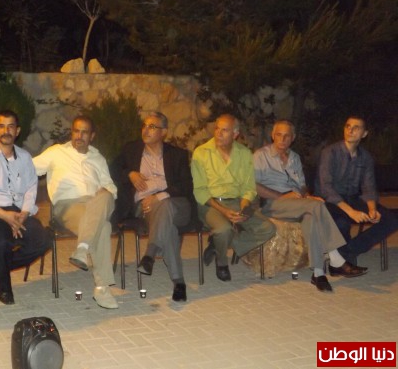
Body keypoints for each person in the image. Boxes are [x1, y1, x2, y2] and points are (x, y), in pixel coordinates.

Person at [253, 120, 367, 292]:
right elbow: (253, 186)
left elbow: (302, 186)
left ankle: (318, 273)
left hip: (299, 203)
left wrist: (308, 196)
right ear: (272, 135)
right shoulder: (261, 156)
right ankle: (336, 258)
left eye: (287, 136)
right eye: (278, 135)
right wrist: (283, 196)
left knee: (311, 216)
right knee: (317, 206)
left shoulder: (294, 158)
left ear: (293, 138)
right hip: (273, 203)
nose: (282, 139)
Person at [33, 115, 119, 309]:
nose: (79, 136)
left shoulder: (98, 158)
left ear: (92, 136)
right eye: (76, 131)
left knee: (107, 195)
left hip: (95, 204)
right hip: (68, 206)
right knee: (104, 227)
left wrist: (105, 191)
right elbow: (28, 168)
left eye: (84, 132)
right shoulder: (56, 152)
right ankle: (102, 287)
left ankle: (82, 248)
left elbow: (111, 186)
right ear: (71, 132)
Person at [0, 110, 50, 305]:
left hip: (18, 211)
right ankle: (4, 288)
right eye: (1, 126)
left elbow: (31, 188)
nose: (6, 131)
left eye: (11, 126)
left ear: (17, 131)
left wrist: (24, 213)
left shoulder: (25, 158)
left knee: (43, 239)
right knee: (1, 242)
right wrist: (5, 216)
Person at [111, 112, 194, 302]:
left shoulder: (177, 154)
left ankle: (151, 251)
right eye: (144, 125)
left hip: (177, 204)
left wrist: (160, 195)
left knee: (165, 205)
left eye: (152, 126)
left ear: (164, 132)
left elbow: (186, 186)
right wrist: (130, 173)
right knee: (168, 228)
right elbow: (112, 169)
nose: (146, 130)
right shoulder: (131, 150)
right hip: (146, 207)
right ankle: (178, 282)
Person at [191, 114, 275, 282]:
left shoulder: (244, 153)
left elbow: (248, 188)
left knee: (268, 228)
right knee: (224, 229)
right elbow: (200, 191)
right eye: (217, 128)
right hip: (210, 204)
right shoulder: (201, 153)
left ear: (235, 134)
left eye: (224, 130)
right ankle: (222, 262)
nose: (218, 133)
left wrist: (244, 206)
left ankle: (217, 245)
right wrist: (224, 211)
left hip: (236, 202)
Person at [315, 116, 398, 267]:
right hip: (330, 201)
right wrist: (351, 212)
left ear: (364, 134)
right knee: (342, 222)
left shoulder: (366, 157)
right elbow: (326, 188)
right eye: (348, 126)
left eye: (356, 127)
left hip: (352, 198)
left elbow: (369, 187)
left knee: (391, 220)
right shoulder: (330, 152)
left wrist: (372, 209)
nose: (350, 130)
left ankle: (347, 251)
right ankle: (343, 259)